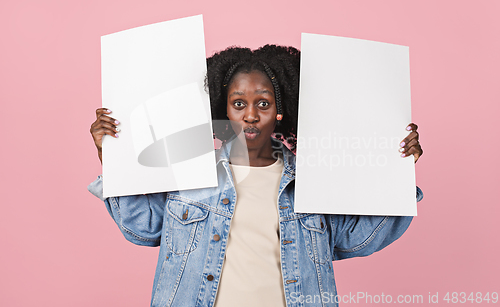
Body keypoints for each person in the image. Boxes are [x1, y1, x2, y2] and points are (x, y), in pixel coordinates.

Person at [88, 44, 423, 307]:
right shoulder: (190, 174)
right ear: (223, 109)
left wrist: (397, 168)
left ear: (280, 111)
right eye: (238, 104)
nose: (250, 115)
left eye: (263, 104)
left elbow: (357, 239)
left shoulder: (311, 182)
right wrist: (112, 158)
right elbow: (141, 229)